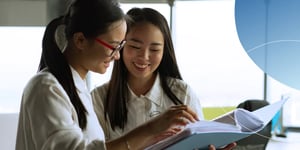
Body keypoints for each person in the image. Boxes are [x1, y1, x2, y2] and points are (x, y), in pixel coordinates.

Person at [15, 0, 201, 149]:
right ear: (80, 40)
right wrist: (150, 129)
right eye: (114, 47)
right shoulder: (46, 87)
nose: (117, 56)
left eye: (120, 47)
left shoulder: (78, 90)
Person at [92, 7, 236, 150]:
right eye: (135, 46)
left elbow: (199, 141)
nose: (144, 56)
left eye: (154, 49)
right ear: (120, 46)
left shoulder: (182, 93)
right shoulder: (98, 98)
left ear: (164, 51)